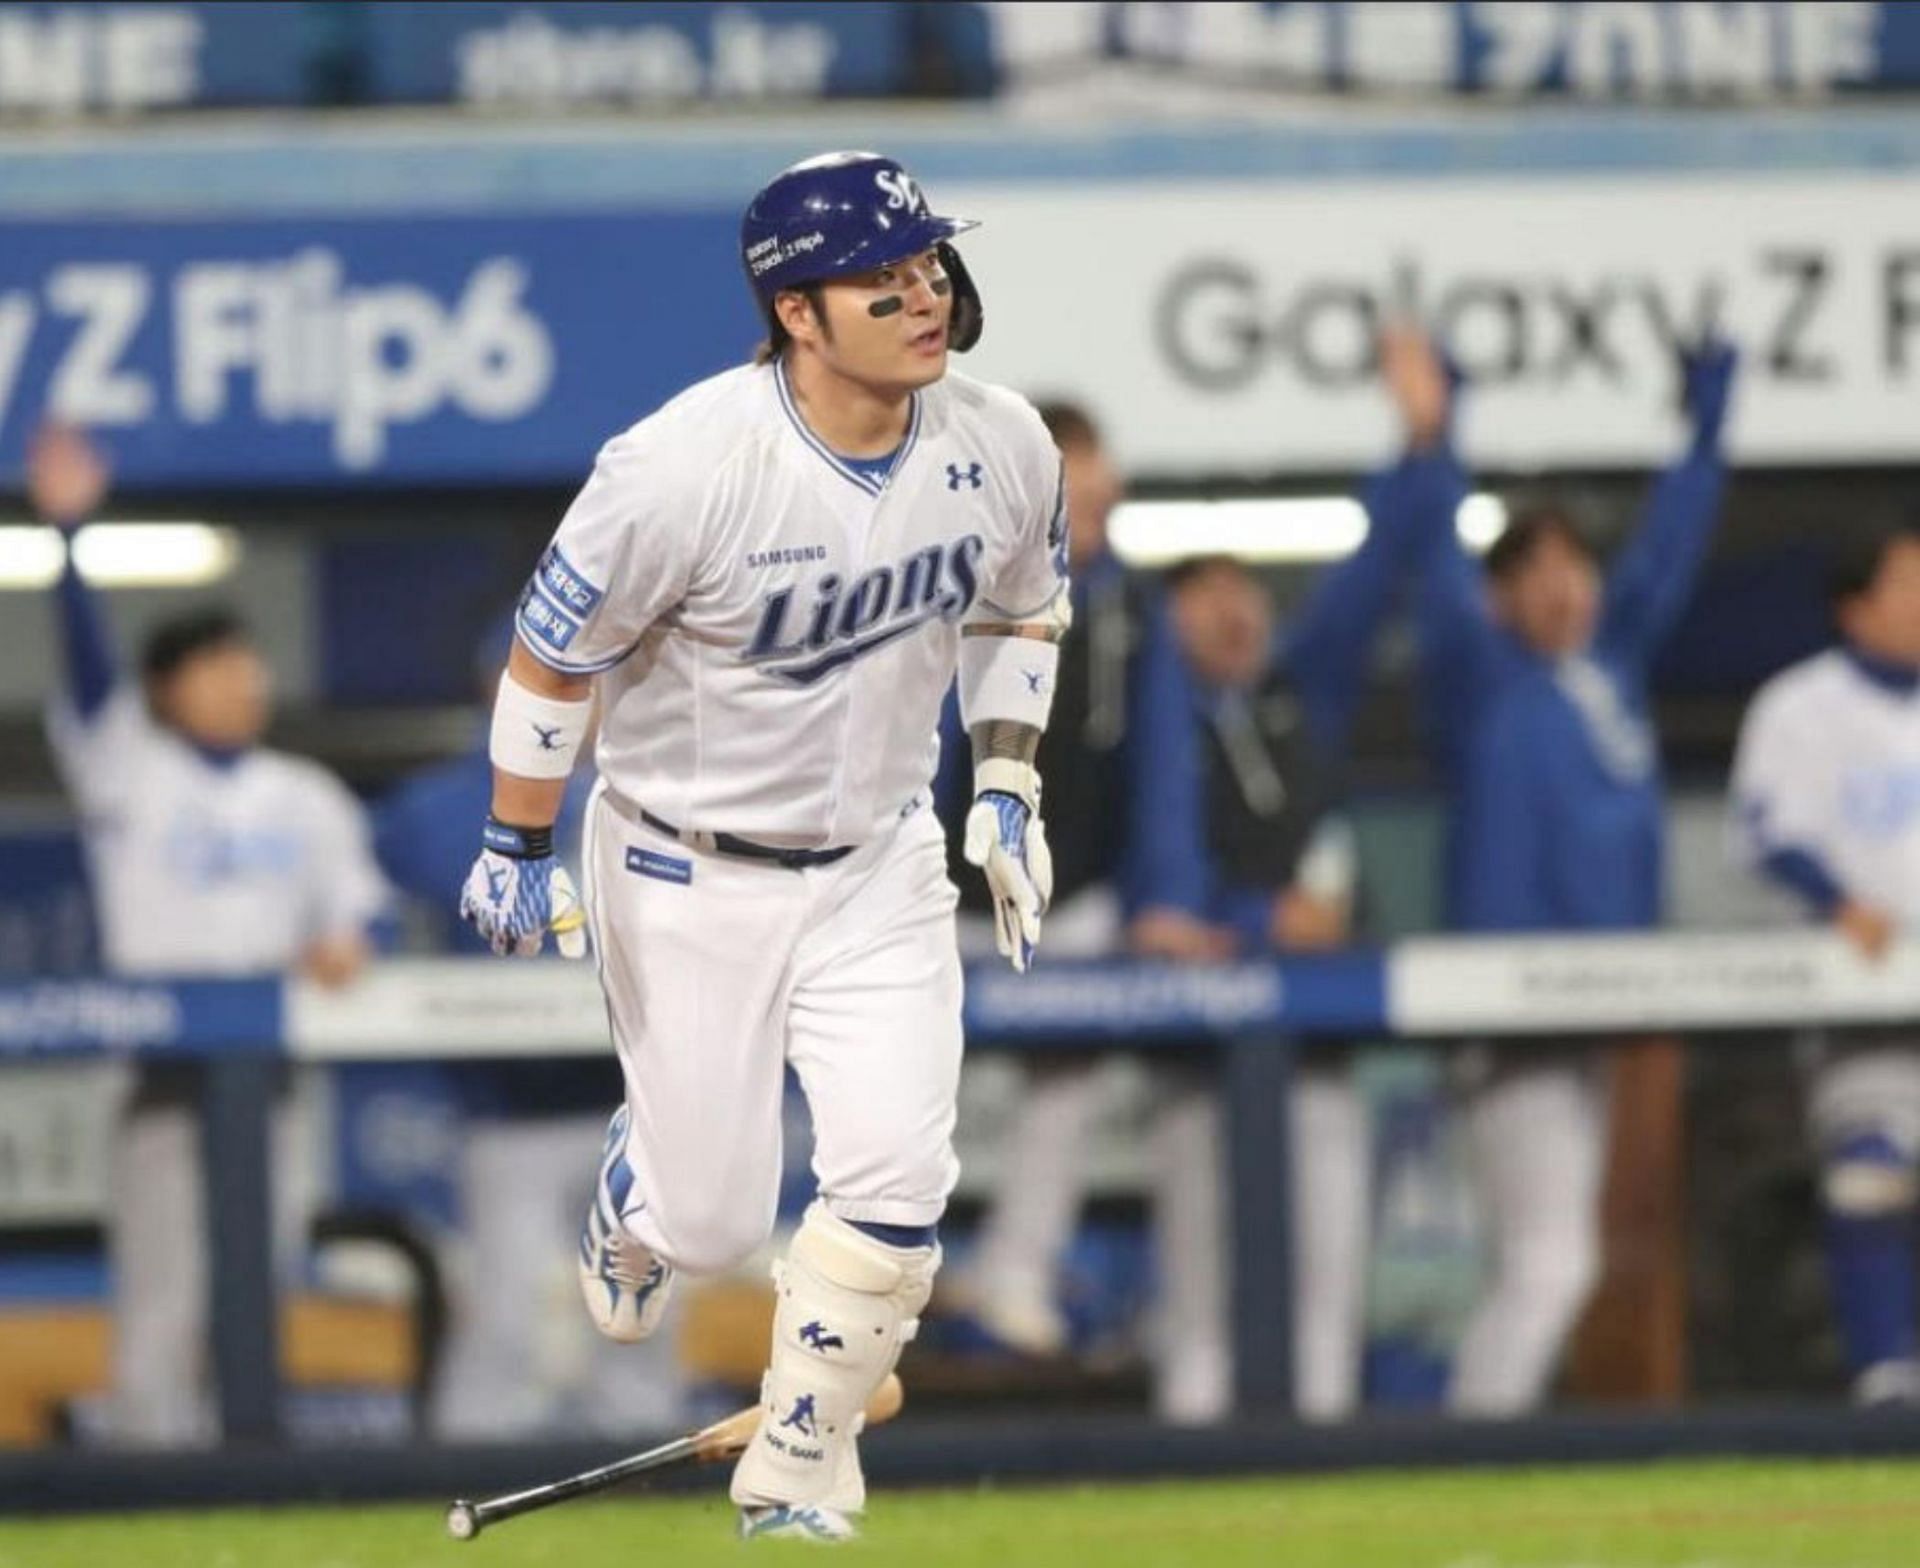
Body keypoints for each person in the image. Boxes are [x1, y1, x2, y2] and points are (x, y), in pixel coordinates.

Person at [457, 151, 1067, 1542]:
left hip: (879, 860)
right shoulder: (679, 467)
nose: (922, 295)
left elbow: (1021, 614)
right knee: (719, 1228)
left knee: (900, 1183)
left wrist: (1009, 783)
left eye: (926, 266)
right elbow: (552, 665)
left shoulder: (1006, 443)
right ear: (798, 312)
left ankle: (797, 1462)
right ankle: (644, 1189)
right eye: (880, 278)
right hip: (685, 861)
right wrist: (515, 840)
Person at [1385, 327, 1738, 1415]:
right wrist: (1441, 432)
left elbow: (1671, 545)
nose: (1563, 589)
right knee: (1550, 1265)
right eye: (1532, 574)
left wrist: (1709, 412)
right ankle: (1462, 1458)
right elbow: (1439, 565)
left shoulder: (1612, 670)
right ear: (1502, 598)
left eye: (1572, 566)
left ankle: (1473, 1448)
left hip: (1604, 1008)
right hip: (1512, 1007)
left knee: (1554, 1261)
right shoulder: (1481, 676)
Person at [31, 422, 389, 1446]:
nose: (246, 678)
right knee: (162, 1300)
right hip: (162, 1076)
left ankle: (246, 1473)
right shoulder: (129, 767)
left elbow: (354, 904)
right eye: (220, 664)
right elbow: (91, 670)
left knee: (257, 1286)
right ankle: (152, 1479)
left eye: (250, 663)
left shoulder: (306, 792)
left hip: (271, 1074)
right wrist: (68, 537)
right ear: (168, 687)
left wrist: (350, 936)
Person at [372, 616, 683, 1439]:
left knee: (641, 1313)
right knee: (507, 1316)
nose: (566, 701)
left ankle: (639, 1467)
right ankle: (470, 1474)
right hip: (507, 1108)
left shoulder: (658, 791)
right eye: (543, 682)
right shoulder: (442, 802)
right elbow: (373, 902)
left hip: (633, 1101)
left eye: (582, 682)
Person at [938, 398, 1169, 1361]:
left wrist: (1158, 895)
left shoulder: (1126, 605)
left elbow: (1155, 766)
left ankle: (1015, 1270)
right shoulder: (960, 577)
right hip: (947, 882)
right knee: (894, 1080)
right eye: (1078, 478)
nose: (1098, 496)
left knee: (1063, 1086)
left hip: (1075, 887)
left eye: (1101, 477)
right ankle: (869, 1261)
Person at [1729, 517, 1920, 1406]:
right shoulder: (1801, 706)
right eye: (1907, 584)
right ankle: (1886, 1380)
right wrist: (1840, 901)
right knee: (1872, 1168)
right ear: (1855, 605)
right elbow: (1769, 836)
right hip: (1863, 1001)